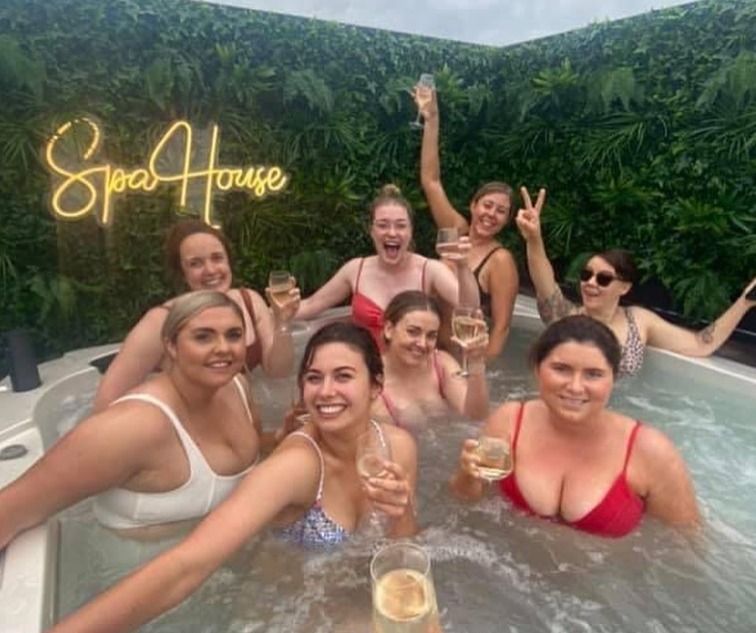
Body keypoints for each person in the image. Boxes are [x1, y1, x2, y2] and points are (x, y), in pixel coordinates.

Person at [51, 322, 417, 633]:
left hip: (357, 597)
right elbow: (187, 565)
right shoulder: (296, 466)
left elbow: (404, 553)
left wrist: (400, 512)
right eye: (313, 378)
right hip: (288, 613)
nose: (325, 392)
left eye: (343, 376)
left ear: (376, 386)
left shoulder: (397, 446)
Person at [0, 291, 261, 549]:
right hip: (137, 568)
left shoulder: (237, 388)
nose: (223, 348)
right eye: (203, 337)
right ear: (171, 346)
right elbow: (9, 511)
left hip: (228, 557)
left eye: (234, 335)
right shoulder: (130, 427)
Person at [450, 315, 699, 538]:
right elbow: (466, 503)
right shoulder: (510, 421)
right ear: (537, 370)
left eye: (593, 374)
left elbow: (684, 544)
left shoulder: (650, 451)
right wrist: (467, 475)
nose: (575, 387)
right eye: (561, 369)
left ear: (614, 378)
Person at [516, 187, 756, 377]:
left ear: (625, 287)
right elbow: (543, 279)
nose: (591, 283)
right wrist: (534, 239)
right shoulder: (566, 317)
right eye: (586, 275)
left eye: (604, 278)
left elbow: (699, 344)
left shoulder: (639, 322)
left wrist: (745, 301)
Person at [92, 219, 299, 412]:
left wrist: (282, 322)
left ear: (229, 261)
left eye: (217, 258)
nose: (210, 270)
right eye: (195, 263)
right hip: (188, 425)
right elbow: (106, 404)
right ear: (182, 273)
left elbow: (278, 372)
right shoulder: (160, 322)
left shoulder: (249, 302)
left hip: (236, 418)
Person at [295, 184, 480, 348]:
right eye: (383, 225)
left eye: (400, 226)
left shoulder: (429, 269)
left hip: (414, 368)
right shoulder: (355, 269)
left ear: (410, 231)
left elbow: (470, 307)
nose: (392, 233)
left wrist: (463, 267)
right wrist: (280, 313)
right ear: (371, 231)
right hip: (367, 368)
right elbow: (311, 305)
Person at [415, 86, 519, 359]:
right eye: (487, 205)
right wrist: (432, 119)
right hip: (426, 352)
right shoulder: (455, 229)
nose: (491, 214)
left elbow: (502, 327)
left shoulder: (500, 261)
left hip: (462, 359)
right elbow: (431, 181)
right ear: (473, 205)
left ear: (506, 221)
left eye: (501, 211)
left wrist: (480, 369)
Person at [372, 290, 490, 435]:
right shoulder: (372, 384)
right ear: (389, 330)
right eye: (413, 332)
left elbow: (476, 417)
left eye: (431, 336)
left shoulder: (441, 364)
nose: (422, 343)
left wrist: (476, 362)